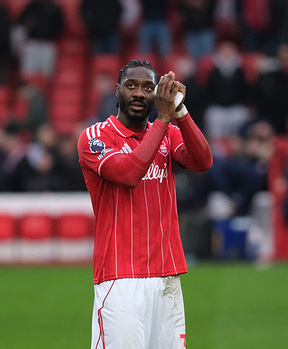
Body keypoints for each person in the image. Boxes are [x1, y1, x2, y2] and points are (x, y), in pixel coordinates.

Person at [77, 60, 213, 348]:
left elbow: (203, 161)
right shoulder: (96, 137)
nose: (139, 93)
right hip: (120, 278)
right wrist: (163, 121)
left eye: (148, 88)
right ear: (117, 91)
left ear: (157, 95)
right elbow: (128, 174)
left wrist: (181, 113)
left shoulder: (168, 134)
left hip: (166, 275)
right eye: (131, 86)